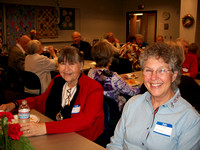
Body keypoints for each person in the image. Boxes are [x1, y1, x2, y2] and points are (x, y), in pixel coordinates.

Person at [0, 46, 104, 142]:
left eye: (71, 63)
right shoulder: (57, 81)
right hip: (57, 136)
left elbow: (86, 121)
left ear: (81, 66)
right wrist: (15, 104)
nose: (66, 69)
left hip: (83, 140)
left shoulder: (93, 88)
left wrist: (44, 128)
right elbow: (40, 101)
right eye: (62, 63)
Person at [107, 42, 200, 149]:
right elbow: (115, 144)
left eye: (162, 70)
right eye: (148, 70)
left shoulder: (190, 119)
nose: (154, 77)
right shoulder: (132, 104)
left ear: (174, 75)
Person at [88, 41, 140, 111]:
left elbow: (102, 80)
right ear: (110, 58)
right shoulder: (114, 77)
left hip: (98, 107)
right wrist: (140, 86)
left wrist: (119, 77)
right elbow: (133, 92)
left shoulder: (91, 72)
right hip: (114, 109)